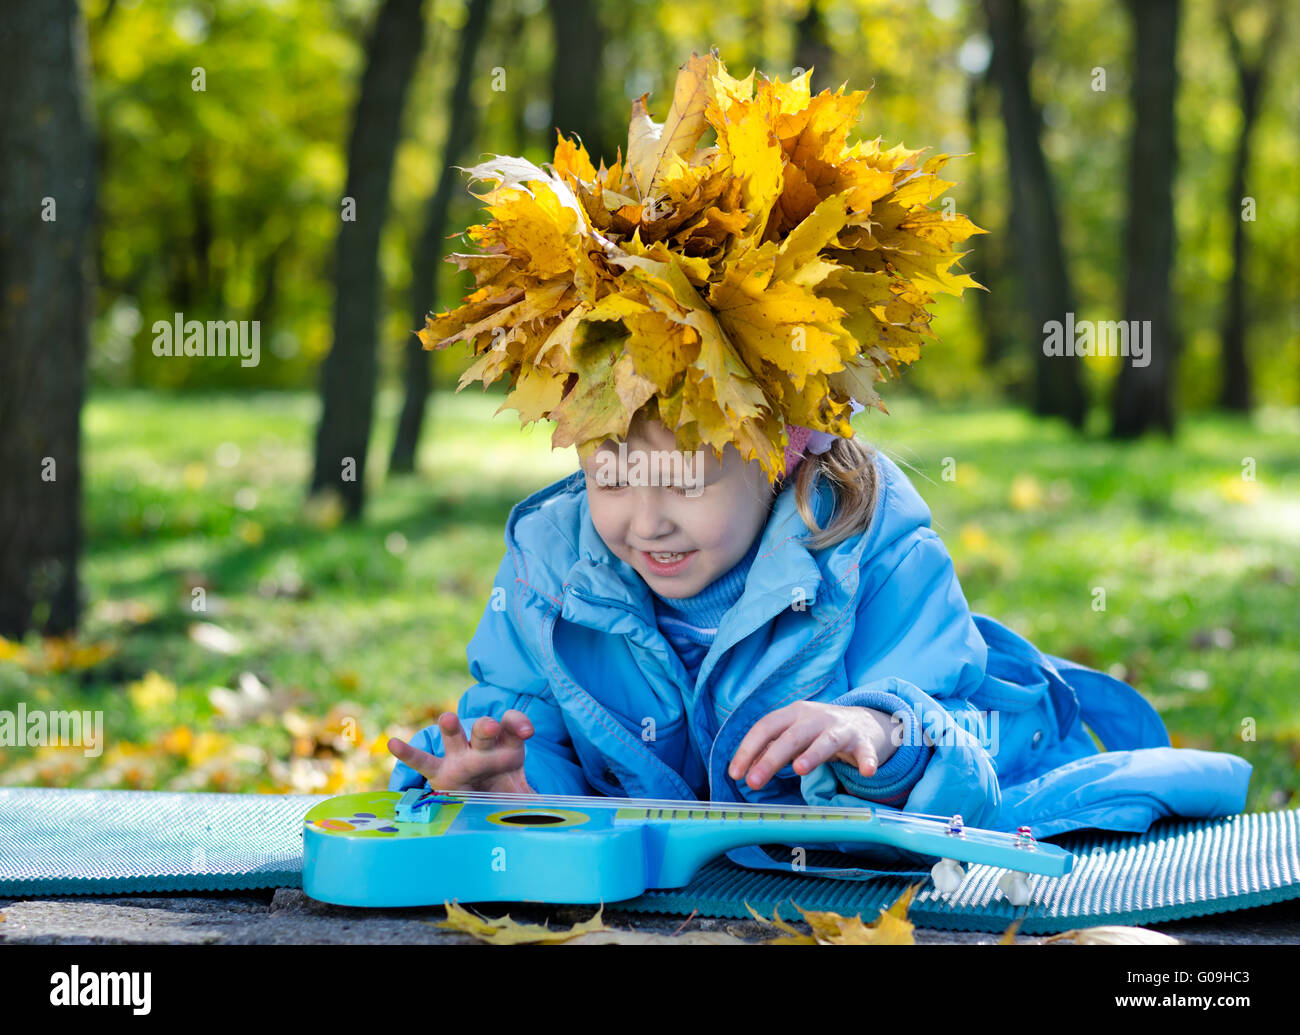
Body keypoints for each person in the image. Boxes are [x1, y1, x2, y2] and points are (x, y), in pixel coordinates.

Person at [387, 402, 1251, 871]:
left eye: (685, 480)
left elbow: (954, 737)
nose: (644, 519)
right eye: (609, 476)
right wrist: (508, 776)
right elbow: (519, 721)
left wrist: (880, 731)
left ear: (781, 447)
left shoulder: (870, 541)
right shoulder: (551, 561)